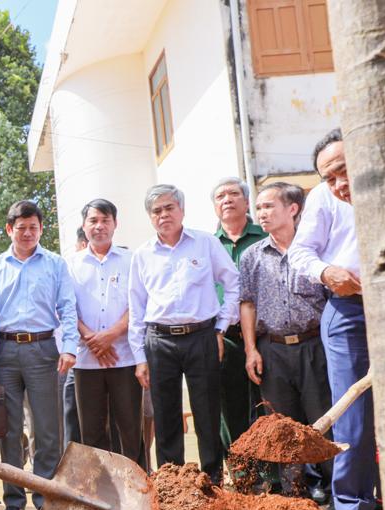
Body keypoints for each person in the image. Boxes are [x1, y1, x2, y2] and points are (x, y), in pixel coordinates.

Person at [288, 129, 377, 510]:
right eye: (330, 177)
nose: (340, 183)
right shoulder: (324, 200)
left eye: (344, 170)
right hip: (349, 311)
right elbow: (300, 252)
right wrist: (327, 271)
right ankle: (353, 506)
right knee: (352, 411)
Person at [129, 184, 239, 484]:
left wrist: (221, 328)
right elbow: (136, 308)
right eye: (156, 211)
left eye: (169, 208)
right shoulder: (142, 255)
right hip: (159, 341)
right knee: (165, 417)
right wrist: (139, 357)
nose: (163, 215)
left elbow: (233, 283)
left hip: (202, 336)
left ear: (182, 210)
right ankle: (172, 483)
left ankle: (212, 479)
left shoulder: (205, 243)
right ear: (150, 218)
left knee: (207, 412)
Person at [0, 200, 77, 510]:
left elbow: (67, 308)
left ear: (41, 229)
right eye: (21, 227)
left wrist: (69, 348)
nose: (27, 233)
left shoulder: (55, 264)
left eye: (33, 228)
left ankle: (44, 497)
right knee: (9, 428)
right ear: (10, 229)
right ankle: (13, 499)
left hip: (43, 350)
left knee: (47, 428)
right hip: (6, 352)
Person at [240, 182, 332, 500]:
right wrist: (251, 349)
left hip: (314, 345)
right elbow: (247, 303)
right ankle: (295, 496)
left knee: (323, 419)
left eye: (268, 206)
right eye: (259, 207)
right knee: (283, 425)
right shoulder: (252, 256)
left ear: (292, 209)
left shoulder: (316, 249)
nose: (261, 213)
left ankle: (334, 492)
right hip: (273, 348)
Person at [66, 199, 142, 462]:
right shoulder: (70, 264)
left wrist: (110, 335)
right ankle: (100, 494)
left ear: (115, 224)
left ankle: (138, 491)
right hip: (86, 361)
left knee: (130, 430)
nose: (99, 226)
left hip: (124, 357)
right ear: (84, 225)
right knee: (92, 433)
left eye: (105, 220)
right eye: (93, 221)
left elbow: (139, 303)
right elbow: (66, 307)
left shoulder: (131, 260)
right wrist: (91, 339)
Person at [211, 178, 266, 451]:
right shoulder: (207, 245)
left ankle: (274, 476)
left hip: (266, 336)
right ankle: (242, 472)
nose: (227, 199)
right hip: (225, 337)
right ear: (214, 207)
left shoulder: (265, 236)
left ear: (246, 202)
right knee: (229, 408)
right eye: (220, 196)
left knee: (267, 405)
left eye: (234, 194)